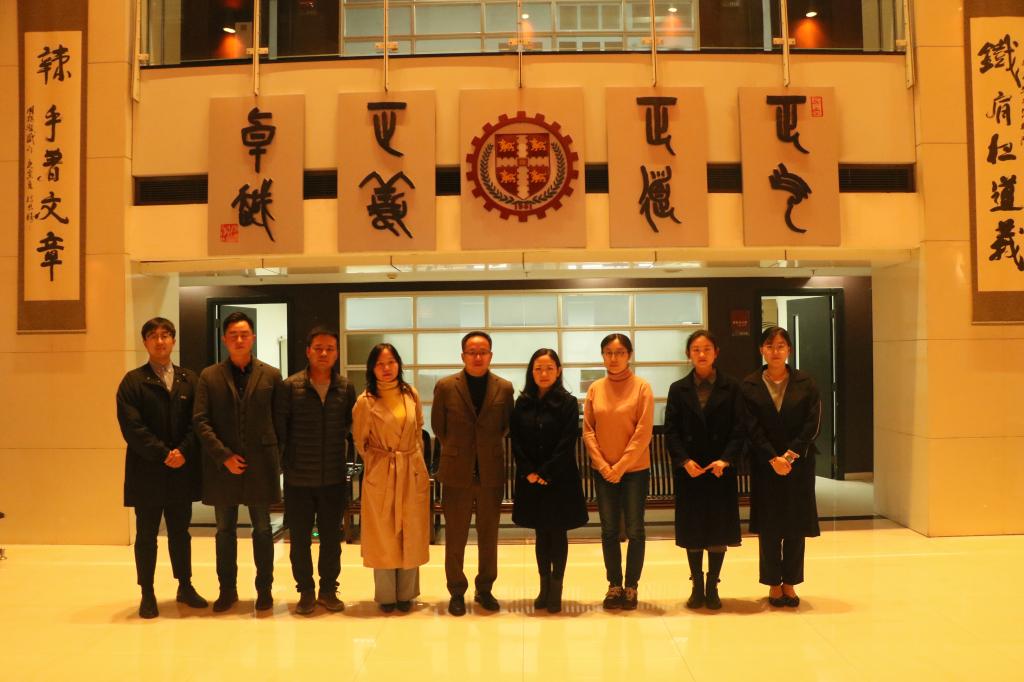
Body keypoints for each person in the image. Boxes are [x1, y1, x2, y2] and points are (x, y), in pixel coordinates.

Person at [116, 317, 207, 619]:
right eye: (153, 336)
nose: (160, 341)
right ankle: (147, 592)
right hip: (147, 472)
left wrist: (183, 451)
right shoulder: (133, 382)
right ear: (145, 342)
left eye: (165, 335)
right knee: (146, 535)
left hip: (181, 470)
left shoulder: (189, 379)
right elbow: (132, 428)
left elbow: (198, 421)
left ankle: (185, 585)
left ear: (173, 340)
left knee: (181, 533)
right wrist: (163, 454)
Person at [193, 311, 284, 613]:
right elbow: (201, 421)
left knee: (263, 530)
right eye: (233, 335)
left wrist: (277, 460)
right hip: (223, 468)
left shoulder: (271, 375)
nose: (240, 339)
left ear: (253, 337)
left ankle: (264, 590)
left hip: (261, 466)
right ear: (225, 339)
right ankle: (227, 590)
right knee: (224, 531)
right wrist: (224, 456)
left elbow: (281, 421)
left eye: (244, 334)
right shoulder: (209, 376)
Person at [432, 331, 514, 616]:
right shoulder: (445, 386)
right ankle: (456, 591)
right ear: (463, 355)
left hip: (491, 472)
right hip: (457, 472)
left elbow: (506, 426)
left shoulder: (504, 388)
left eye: (483, 352)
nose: (477, 357)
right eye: (472, 352)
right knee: (455, 537)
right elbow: (439, 427)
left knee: (489, 536)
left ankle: (485, 589)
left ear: (491, 355)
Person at [740, 326, 822, 608]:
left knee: (795, 524)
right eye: (770, 346)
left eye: (781, 346)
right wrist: (771, 457)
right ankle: (774, 583)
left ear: (789, 350)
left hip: (798, 463)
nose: (775, 351)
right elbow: (749, 426)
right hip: (765, 465)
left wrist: (789, 456)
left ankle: (791, 583)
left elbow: (813, 423)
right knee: (770, 525)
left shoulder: (806, 382)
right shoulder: (749, 384)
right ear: (761, 350)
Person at [276, 326, 355, 615]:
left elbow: (349, 427)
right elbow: (280, 430)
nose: (324, 353)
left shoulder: (345, 387)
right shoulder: (290, 386)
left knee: (331, 538)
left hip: (333, 476)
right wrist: (286, 464)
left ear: (336, 353)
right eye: (318, 348)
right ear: (308, 351)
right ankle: (306, 591)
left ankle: (328, 589)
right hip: (298, 478)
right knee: (299, 539)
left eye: (329, 349)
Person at [664, 330, 744, 610]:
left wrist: (726, 460)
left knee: (718, 529)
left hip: (719, 469)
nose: (701, 354)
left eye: (707, 349)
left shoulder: (732, 387)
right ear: (688, 354)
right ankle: (697, 585)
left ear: (716, 352)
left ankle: (713, 585)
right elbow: (671, 431)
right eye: (696, 349)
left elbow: (739, 428)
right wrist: (684, 461)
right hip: (691, 470)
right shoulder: (678, 389)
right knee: (693, 528)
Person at [352, 343, 431, 613]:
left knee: (411, 532)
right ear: (372, 369)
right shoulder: (365, 401)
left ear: (398, 364)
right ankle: (386, 595)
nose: (386, 368)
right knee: (384, 534)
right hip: (382, 473)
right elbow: (361, 442)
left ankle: (407, 593)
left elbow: (418, 431)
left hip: (411, 470)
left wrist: (416, 464)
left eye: (391, 362)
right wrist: (380, 466)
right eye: (380, 364)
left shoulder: (411, 394)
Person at [510, 348, 588, 614]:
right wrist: (529, 471)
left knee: (557, 532)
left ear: (558, 371)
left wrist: (545, 471)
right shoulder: (522, 402)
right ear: (531, 372)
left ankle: (556, 588)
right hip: (530, 479)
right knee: (540, 533)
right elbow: (516, 440)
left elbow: (567, 441)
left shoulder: (568, 402)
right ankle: (543, 587)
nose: (543, 373)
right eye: (538, 369)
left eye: (549, 368)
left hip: (560, 478)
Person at [582, 333, 654, 611]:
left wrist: (621, 466)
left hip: (634, 470)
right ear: (603, 356)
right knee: (609, 530)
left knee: (635, 529)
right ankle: (614, 585)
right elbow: (588, 430)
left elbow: (643, 432)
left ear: (629, 355)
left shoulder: (642, 387)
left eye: (620, 353)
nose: (614, 358)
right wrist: (603, 465)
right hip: (603, 471)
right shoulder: (595, 388)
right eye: (609, 353)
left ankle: (631, 586)